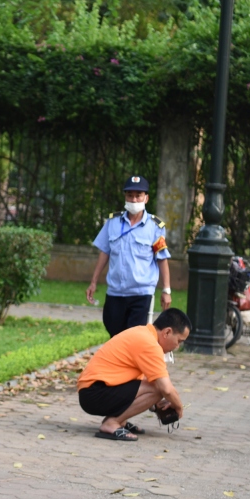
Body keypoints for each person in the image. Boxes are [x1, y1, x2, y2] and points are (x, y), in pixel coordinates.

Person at [76, 308, 191, 441]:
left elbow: (145, 382)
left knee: (155, 386)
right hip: (94, 393)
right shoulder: (150, 345)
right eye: (179, 341)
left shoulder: (143, 333)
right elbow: (166, 389)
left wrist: (154, 404)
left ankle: (121, 421)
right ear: (167, 332)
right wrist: (178, 407)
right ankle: (111, 423)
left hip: (92, 391)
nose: (177, 347)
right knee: (158, 389)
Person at [85, 175, 173, 337]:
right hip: (115, 292)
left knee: (133, 337)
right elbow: (104, 252)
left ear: (146, 198)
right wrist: (93, 282)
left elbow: (162, 259)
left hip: (141, 292)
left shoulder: (155, 227)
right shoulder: (113, 222)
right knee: (114, 331)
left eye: (138, 195)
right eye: (130, 195)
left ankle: (129, 363)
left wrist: (166, 289)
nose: (134, 199)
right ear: (125, 197)